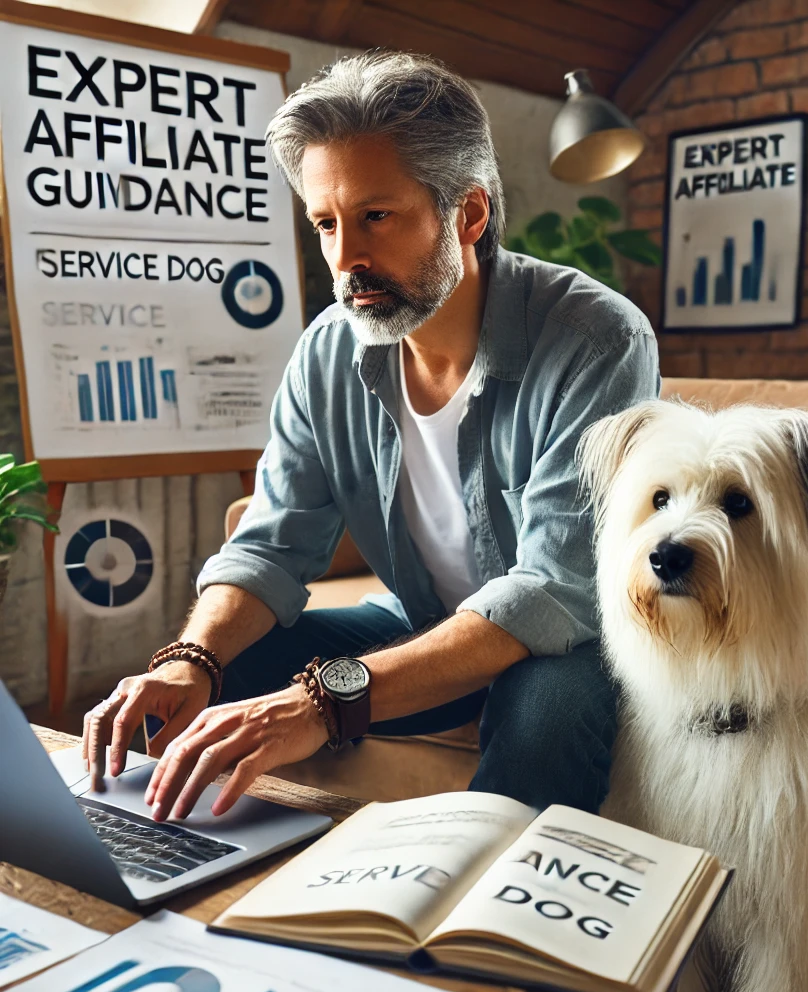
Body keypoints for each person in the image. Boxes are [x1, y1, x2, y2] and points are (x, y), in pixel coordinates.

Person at [81, 51, 659, 822]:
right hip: (421, 619)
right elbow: (271, 545)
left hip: (568, 645)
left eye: (376, 217)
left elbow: (550, 592)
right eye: (326, 222)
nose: (346, 258)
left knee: (546, 713)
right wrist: (193, 657)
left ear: (469, 215)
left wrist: (322, 704)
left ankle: (478, 924)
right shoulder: (328, 350)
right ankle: (206, 872)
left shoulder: (595, 339)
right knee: (222, 671)